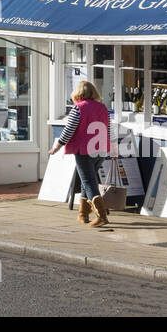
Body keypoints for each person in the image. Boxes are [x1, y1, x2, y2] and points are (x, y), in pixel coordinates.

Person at [48, 80, 112, 227]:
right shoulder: (103, 108)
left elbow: (69, 130)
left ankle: (101, 216)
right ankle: (83, 215)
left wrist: (57, 146)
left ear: (77, 93)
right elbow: (108, 128)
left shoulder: (78, 108)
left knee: (89, 182)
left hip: (84, 150)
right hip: (101, 149)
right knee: (86, 180)